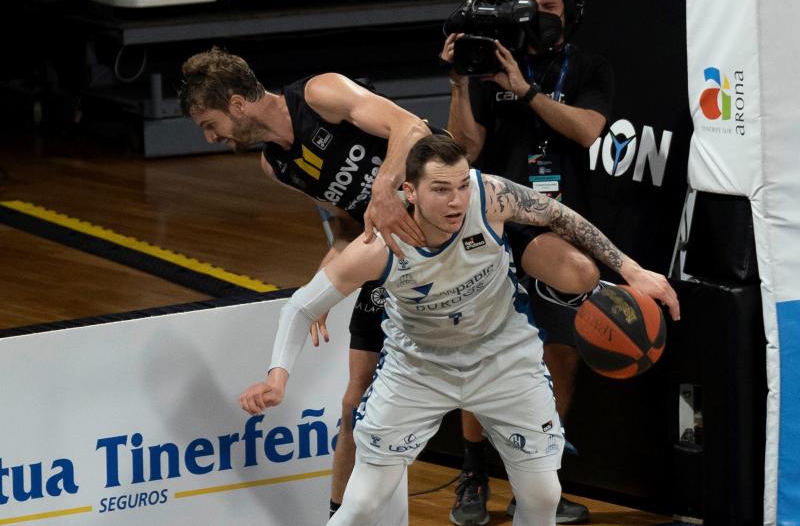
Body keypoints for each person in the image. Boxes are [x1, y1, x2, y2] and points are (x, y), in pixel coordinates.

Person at [179, 48, 597, 519]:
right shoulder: (275, 165)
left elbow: (412, 128)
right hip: (398, 256)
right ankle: (347, 512)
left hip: (456, 221)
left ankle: (521, 476)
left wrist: (384, 190)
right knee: (354, 400)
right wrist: (325, 280)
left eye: (210, 123)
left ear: (237, 104)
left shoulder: (321, 93)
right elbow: (346, 222)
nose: (212, 137)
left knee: (564, 284)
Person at [239, 135, 679, 526]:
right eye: (441, 189)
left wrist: (631, 269)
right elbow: (300, 307)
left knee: (543, 498)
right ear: (409, 191)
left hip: (503, 358)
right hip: (418, 369)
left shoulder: (489, 198)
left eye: (462, 185)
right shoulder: (377, 248)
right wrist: (277, 376)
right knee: (362, 506)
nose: (456, 201)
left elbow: (559, 216)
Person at [441, 0, 614, 522]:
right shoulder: (491, 67)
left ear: (570, 12)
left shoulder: (589, 67)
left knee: (559, 352)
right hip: (494, 222)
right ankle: (473, 475)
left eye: (549, 3)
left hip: (558, 225)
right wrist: (460, 80)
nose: (538, 11)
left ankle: (539, 483)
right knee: (479, 349)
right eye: (529, 2)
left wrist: (529, 92)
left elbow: (589, 129)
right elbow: (463, 148)